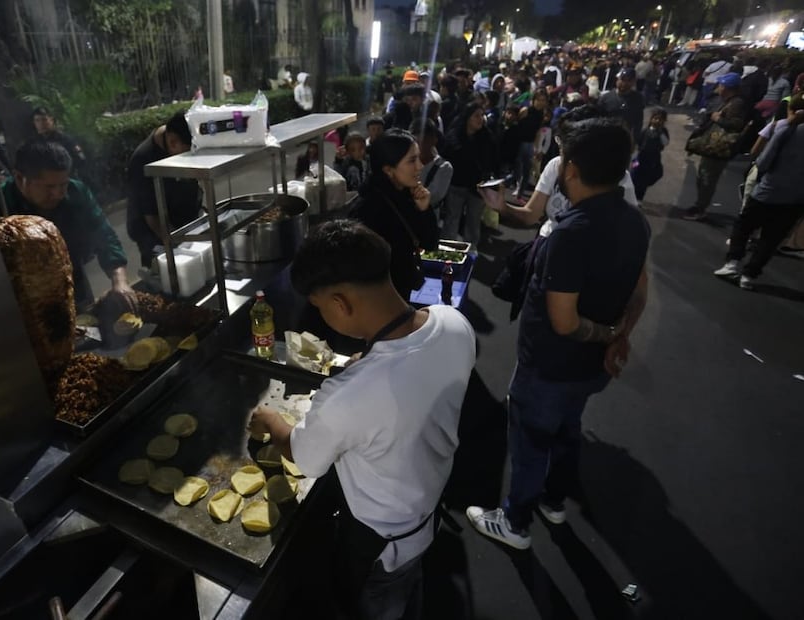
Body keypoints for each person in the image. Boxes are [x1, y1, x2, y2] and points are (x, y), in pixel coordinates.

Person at [248, 219, 475, 620]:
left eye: (320, 308)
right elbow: (410, 375)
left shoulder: (350, 395)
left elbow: (304, 458)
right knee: (411, 593)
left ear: (341, 303)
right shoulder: (455, 324)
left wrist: (271, 419)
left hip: (380, 546)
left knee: (378, 606)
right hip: (425, 511)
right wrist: (367, 361)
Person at [466, 118, 650, 550]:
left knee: (530, 438)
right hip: (592, 366)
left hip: (551, 363)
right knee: (568, 428)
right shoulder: (635, 223)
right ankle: (553, 501)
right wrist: (619, 336)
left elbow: (563, 321)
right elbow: (640, 290)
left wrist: (606, 333)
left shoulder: (571, 233)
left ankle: (514, 522)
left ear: (570, 169)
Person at [0, 139, 133, 311]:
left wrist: (120, 281)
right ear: (19, 178)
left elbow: (104, 236)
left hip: (72, 278)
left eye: (62, 184)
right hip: (23, 296)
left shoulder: (76, 191)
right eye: (49, 187)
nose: (57, 194)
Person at [497, 105, 639, 238]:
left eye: (564, 142)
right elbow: (531, 214)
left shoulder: (617, 179)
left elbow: (632, 235)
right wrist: (502, 206)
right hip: (548, 244)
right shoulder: (556, 165)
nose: (561, 148)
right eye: (560, 140)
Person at [714, 96, 804, 289]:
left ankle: (732, 264)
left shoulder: (785, 128)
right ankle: (749, 275)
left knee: (744, 226)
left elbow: (763, 161)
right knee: (771, 239)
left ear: (792, 110)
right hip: (795, 199)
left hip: (767, 191)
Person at [350, 129, 439, 300]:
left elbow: (429, 243)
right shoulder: (368, 209)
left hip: (401, 293)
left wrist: (424, 208)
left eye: (418, 158)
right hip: (381, 302)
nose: (420, 166)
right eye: (412, 160)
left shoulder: (407, 194)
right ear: (388, 170)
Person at [126, 111, 199, 267]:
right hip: (154, 236)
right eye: (188, 152)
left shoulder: (178, 141)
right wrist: (181, 245)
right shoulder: (142, 161)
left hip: (183, 225)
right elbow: (153, 218)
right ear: (172, 142)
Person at [684, 72, 747, 221]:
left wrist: (718, 119)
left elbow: (736, 125)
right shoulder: (726, 100)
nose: (718, 87)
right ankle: (699, 205)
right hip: (712, 146)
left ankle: (700, 209)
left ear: (728, 87)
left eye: (721, 84)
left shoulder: (736, 103)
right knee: (704, 177)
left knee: (707, 179)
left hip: (719, 148)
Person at [441, 103, 497, 244]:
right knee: (451, 221)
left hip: (477, 188)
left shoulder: (486, 137)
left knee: (473, 223)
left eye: (482, 115)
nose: (480, 119)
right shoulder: (454, 136)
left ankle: (470, 254)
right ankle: (447, 253)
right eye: (476, 116)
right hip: (456, 185)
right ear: (467, 117)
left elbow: (492, 160)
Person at [412, 118, 452, 228]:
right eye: (416, 141)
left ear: (434, 140)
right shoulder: (407, 162)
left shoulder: (443, 167)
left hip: (429, 218)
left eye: (424, 140)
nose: (420, 145)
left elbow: (434, 196)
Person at [31, 107, 86, 178]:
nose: (41, 124)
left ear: (52, 121)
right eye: (37, 120)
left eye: (44, 120)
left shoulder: (65, 140)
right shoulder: (34, 142)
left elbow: (80, 159)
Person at [632, 107, 670, 201]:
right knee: (634, 174)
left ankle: (639, 197)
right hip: (641, 157)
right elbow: (638, 144)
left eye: (660, 119)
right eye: (655, 118)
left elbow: (665, 142)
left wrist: (660, 132)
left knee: (652, 176)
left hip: (653, 159)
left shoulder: (663, 132)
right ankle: (632, 196)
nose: (657, 121)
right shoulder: (645, 130)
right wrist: (634, 159)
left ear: (664, 121)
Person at [598, 68, 645, 144]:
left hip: (625, 140)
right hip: (605, 139)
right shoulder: (605, 97)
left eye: (629, 80)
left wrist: (634, 140)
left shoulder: (638, 98)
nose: (624, 83)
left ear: (633, 82)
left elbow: (638, 121)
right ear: (617, 80)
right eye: (622, 79)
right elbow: (597, 119)